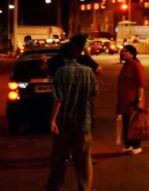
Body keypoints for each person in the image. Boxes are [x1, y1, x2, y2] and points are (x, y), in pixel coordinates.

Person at [45, 43, 98, 191]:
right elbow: (93, 95)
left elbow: (58, 98)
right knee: (84, 159)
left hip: (64, 123)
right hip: (83, 122)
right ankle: (84, 187)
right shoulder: (88, 72)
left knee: (59, 159)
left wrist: (52, 120)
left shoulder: (61, 72)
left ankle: (55, 187)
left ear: (63, 56)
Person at [118, 45, 146, 154]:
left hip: (133, 99)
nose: (123, 53)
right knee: (126, 122)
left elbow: (141, 84)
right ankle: (128, 144)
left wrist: (139, 100)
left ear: (132, 54)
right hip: (124, 99)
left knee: (134, 123)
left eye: (125, 51)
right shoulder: (126, 65)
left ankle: (137, 146)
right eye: (122, 51)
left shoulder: (136, 65)